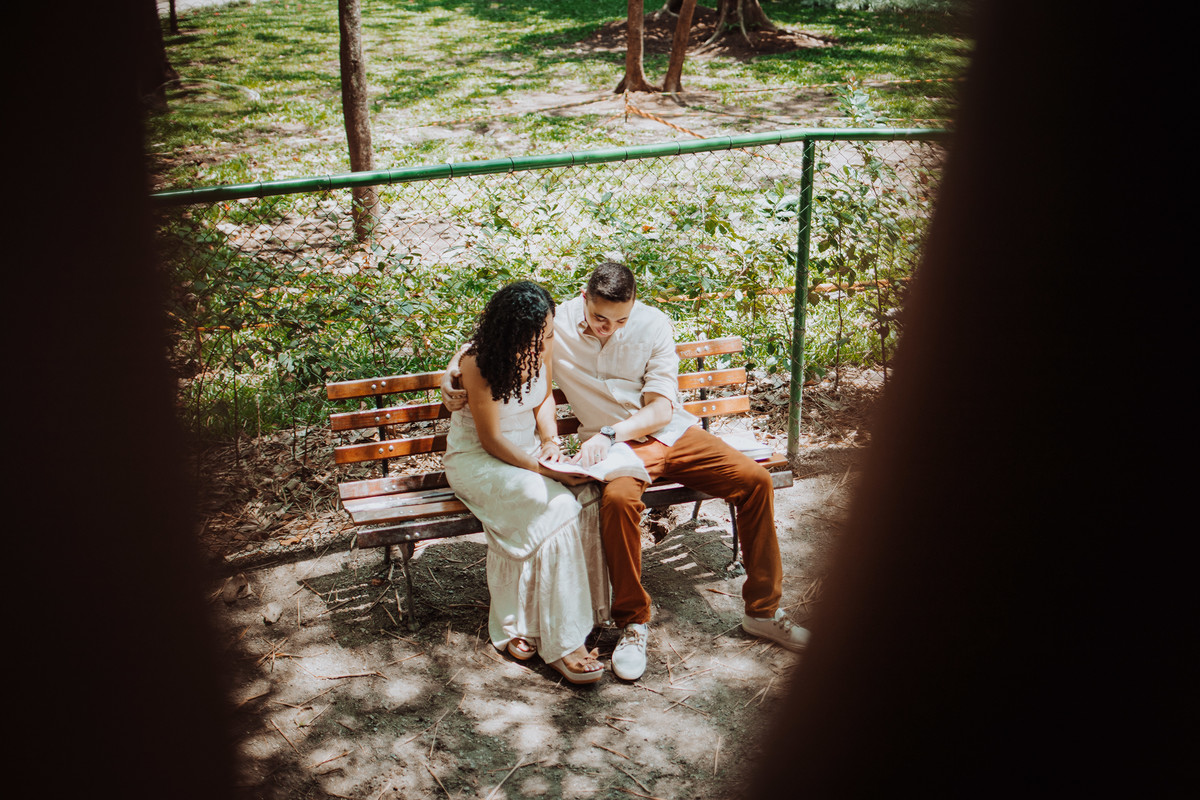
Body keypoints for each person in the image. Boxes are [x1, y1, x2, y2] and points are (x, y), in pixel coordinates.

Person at [443, 262, 808, 682]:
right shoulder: (554, 324)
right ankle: (634, 622)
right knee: (615, 501)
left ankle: (762, 611)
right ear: (583, 300)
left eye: (620, 320)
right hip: (609, 449)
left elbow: (661, 408)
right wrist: (450, 373)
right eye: (599, 318)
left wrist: (613, 431)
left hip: (664, 433)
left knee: (756, 482)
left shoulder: (653, 324)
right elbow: (492, 341)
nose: (608, 329)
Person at [442, 280, 609, 684]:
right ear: (507, 333)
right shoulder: (477, 362)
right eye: (531, 340)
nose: (540, 347)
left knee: (586, 495)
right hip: (479, 460)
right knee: (558, 506)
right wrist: (545, 470)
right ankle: (565, 643)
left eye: (546, 336)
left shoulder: (542, 339)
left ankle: (526, 623)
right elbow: (491, 440)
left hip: (529, 454)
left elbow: (545, 397)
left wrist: (551, 442)